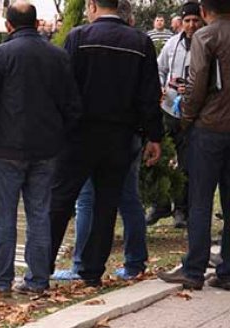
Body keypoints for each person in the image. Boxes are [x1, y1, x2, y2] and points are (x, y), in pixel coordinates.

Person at [48, 0, 163, 288]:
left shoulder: (78, 38)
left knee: (60, 200)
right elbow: (149, 94)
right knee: (106, 203)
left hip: (79, 134)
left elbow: (62, 86)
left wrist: (62, 125)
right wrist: (154, 136)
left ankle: (41, 266)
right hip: (120, 136)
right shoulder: (140, 42)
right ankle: (92, 271)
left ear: (92, 5)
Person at [0, 1, 80, 294]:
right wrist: (59, 137)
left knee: (3, 217)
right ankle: (37, 279)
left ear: (8, 25)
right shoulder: (58, 56)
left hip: (5, 148)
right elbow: (72, 105)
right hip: (46, 150)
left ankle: (0, 280)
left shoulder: (1, 54)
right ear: (37, 24)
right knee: (39, 215)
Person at [159, 0, 230, 290]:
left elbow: (198, 81)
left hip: (209, 127)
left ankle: (194, 269)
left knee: (200, 200)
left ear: (203, 12)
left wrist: (185, 117)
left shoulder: (206, 35)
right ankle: (227, 271)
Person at [146, 1, 204, 228]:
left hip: (194, 114)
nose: (191, 25)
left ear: (201, 20)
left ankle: (181, 209)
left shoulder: (207, 44)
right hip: (169, 109)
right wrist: (162, 86)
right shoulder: (172, 44)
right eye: (187, 20)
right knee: (160, 157)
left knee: (186, 163)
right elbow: (159, 70)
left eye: (195, 21)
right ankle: (160, 205)